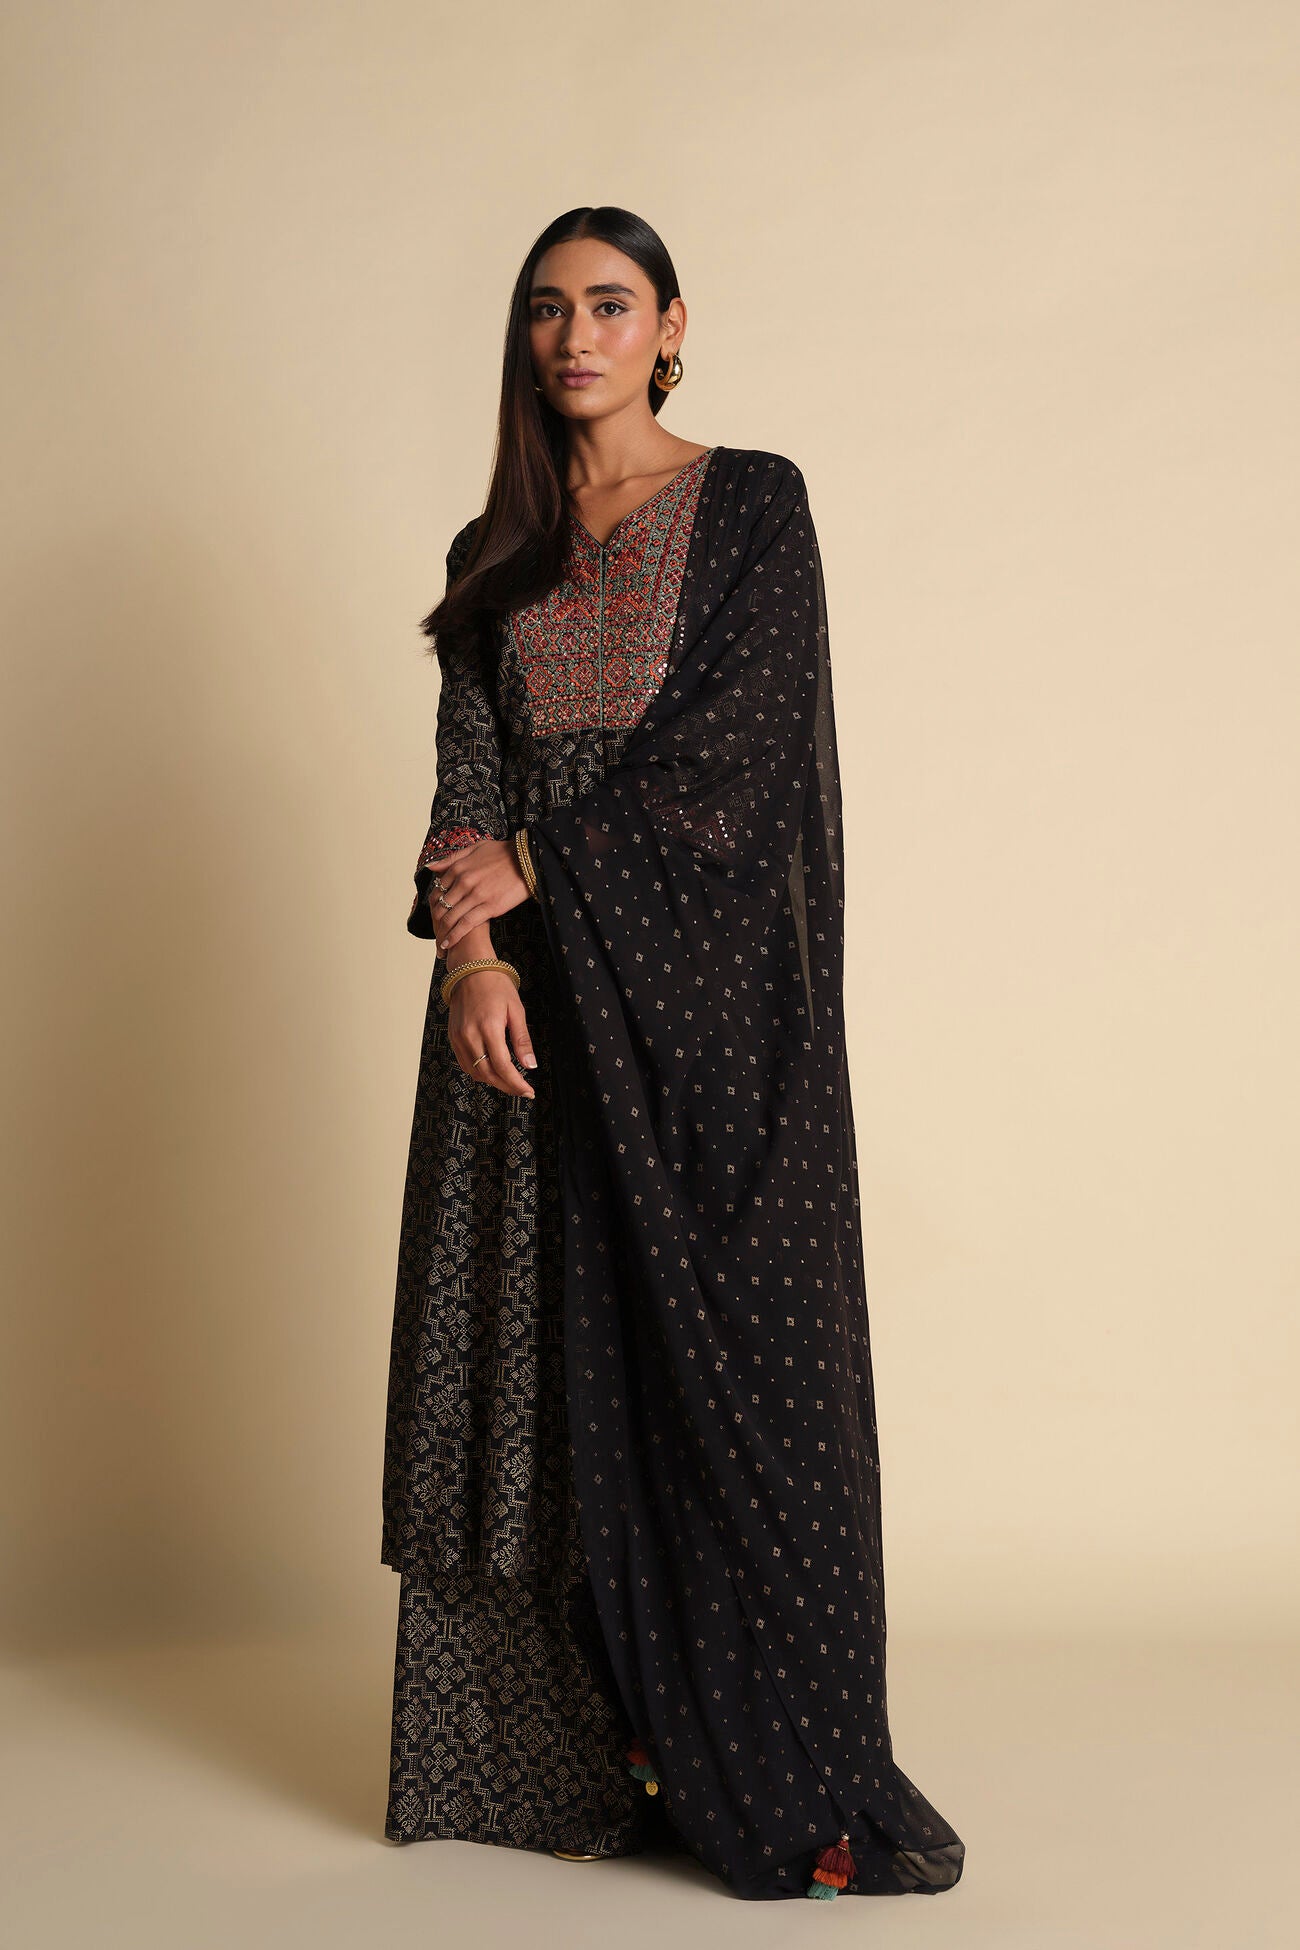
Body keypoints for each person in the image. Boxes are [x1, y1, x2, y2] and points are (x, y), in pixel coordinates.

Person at [381, 204, 966, 1903]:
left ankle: (769, 1760)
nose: (577, 336)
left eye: (611, 304)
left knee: (738, 1376)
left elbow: (746, 746)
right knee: (524, 1369)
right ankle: (561, 1760)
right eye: (548, 308)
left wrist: (544, 867)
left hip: (703, 1011)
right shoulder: (494, 548)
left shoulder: (754, 504)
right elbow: (465, 775)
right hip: (524, 1019)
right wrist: (472, 961)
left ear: (671, 326)